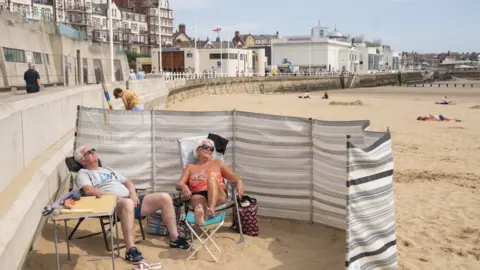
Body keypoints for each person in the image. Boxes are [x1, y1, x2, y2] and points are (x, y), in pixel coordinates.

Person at [73, 145, 190, 263]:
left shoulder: (107, 169)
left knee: (165, 197)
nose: (93, 152)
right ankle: (130, 250)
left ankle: (175, 239)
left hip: (129, 199)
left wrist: (133, 193)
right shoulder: (84, 173)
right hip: (111, 203)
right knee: (128, 202)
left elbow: (127, 181)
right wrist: (113, 196)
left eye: (93, 150)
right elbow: (88, 190)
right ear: (82, 160)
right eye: (89, 152)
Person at [176, 139, 244, 226]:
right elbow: (178, 184)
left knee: (211, 178)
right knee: (196, 199)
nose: (209, 149)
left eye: (211, 149)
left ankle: (210, 210)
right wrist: (183, 186)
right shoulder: (190, 167)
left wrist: (239, 182)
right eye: (205, 147)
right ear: (197, 150)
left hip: (218, 195)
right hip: (199, 194)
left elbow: (234, 177)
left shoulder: (218, 163)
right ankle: (201, 216)